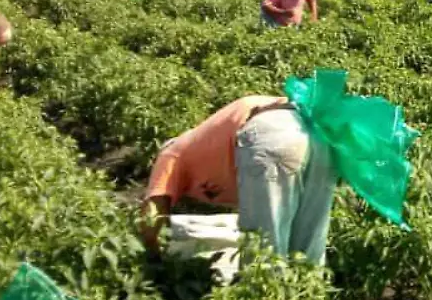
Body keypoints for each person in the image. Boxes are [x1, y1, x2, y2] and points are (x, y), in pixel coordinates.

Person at [139, 96, 337, 265]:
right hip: (317, 134)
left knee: (264, 248)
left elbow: (153, 213)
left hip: (269, 131)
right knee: (310, 246)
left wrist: (151, 256)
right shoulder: (204, 146)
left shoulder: (171, 153)